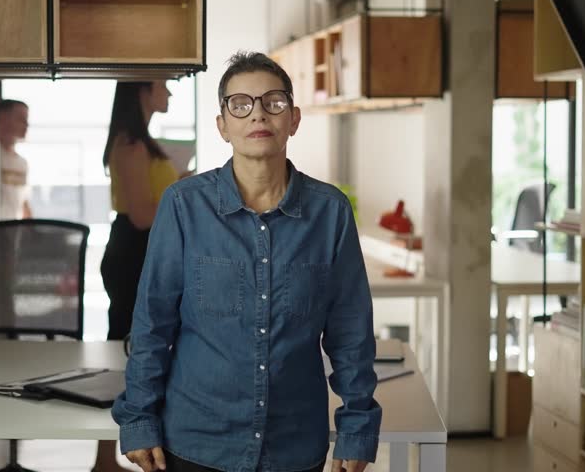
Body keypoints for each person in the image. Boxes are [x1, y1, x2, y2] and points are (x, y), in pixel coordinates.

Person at [112, 52, 381, 472]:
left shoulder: (330, 212)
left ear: (293, 119)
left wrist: (358, 426)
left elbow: (351, 332)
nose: (258, 114)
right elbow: (153, 322)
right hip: (196, 443)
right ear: (223, 125)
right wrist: (138, 418)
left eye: (273, 102)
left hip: (294, 446)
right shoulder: (184, 205)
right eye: (240, 104)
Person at [95, 80, 177, 472]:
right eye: (164, 85)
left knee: (139, 350)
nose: (170, 93)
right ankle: (103, 458)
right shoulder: (130, 144)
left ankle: (124, 453)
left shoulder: (140, 141)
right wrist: (182, 191)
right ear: (143, 89)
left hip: (142, 250)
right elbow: (143, 215)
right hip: (132, 253)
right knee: (125, 353)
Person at [0, 99, 33, 220]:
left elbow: (23, 203)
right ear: (3, 118)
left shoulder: (22, 163)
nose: (26, 125)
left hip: (14, 230)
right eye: (21, 119)